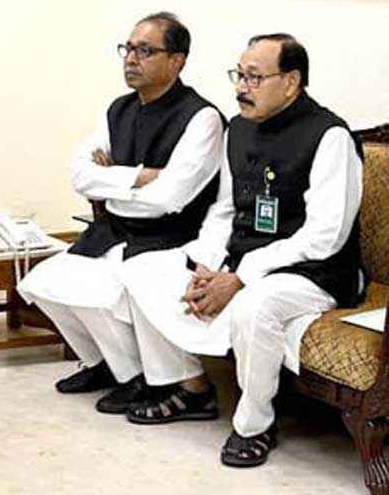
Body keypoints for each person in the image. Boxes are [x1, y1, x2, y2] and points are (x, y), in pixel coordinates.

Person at [120, 33, 364, 468]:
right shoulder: (239, 128)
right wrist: (206, 264)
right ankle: (188, 386)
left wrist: (241, 276)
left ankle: (253, 425)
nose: (241, 88)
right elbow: (225, 210)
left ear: (291, 81)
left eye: (254, 78)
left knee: (255, 305)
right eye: (239, 75)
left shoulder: (330, 136)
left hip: (312, 273)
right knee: (143, 269)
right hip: (241, 260)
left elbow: (326, 235)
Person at [18, 13, 224, 415]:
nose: (131, 59)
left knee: (103, 291)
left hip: (170, 237)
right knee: (43, 283)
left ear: (177, 60)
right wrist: (140, 177)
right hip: (116, 231)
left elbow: (170, 198)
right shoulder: (118, 109)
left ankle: (144, 379)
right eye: (128, 49)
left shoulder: (202, 118)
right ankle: (110, 367)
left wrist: (111, 179)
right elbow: (80, 174)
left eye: (145, 51)